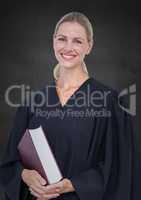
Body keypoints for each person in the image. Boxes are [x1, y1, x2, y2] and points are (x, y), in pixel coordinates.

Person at [0, 12, 134, 200]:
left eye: (77, 41)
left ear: (89, 46)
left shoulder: (110, 102)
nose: (68, 47)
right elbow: (10, 162)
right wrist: (25, 175)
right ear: (54, 41)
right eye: (62, 39)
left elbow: (119, 169)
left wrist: (72, 185)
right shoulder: (33, 101)